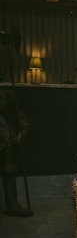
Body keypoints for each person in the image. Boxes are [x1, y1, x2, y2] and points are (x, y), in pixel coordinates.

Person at [0, 89, 33, 217]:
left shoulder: (8, 94)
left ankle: (12, 205)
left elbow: (21, 114)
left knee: (9, 170)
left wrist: (23, 132)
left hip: (6, 135)